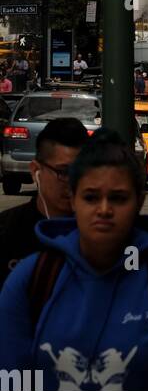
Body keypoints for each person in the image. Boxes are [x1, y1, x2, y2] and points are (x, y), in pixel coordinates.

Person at [0, 129, 148, 390]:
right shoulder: (31, 280)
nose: (104, 209)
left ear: (139, 202)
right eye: (91, 197)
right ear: (73, 200)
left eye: (118, 198)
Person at [0, 119, 89, 288]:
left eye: (81, 172)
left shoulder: (100, 234)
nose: (73, 182)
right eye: (63, 172)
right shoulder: (7, 231)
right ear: (36, 171)